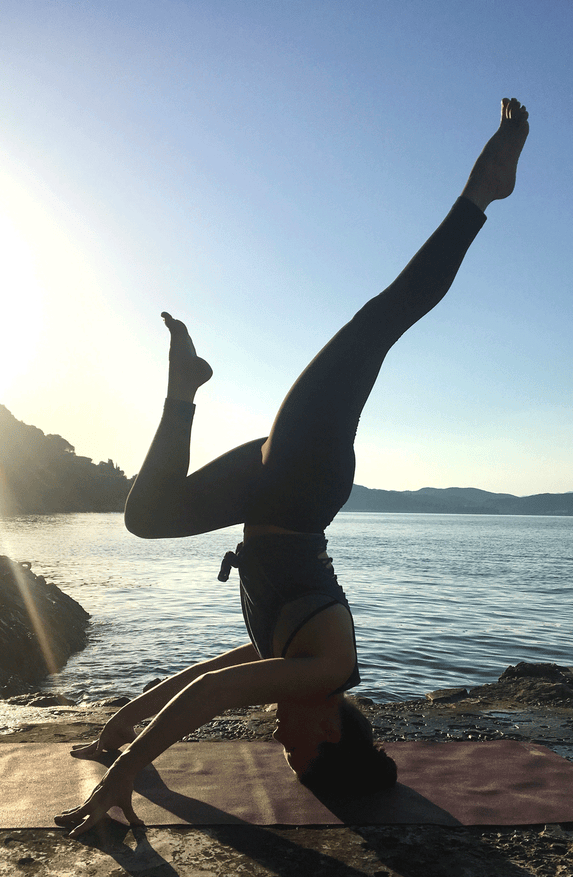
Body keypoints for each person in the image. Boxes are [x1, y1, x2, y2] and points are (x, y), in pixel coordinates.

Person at [56, 98, 529, 837]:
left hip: (268, 496)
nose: (281, 744)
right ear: (332, 732)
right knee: (378, 324)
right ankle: (483, 193)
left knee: (147, 517)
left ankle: (186, 388)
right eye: (301, 753)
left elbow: (199, 680)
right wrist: (121, 779)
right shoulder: (323, 665)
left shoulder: (292, 656)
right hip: (303, 485)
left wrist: (119, 727)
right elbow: (214, 693)